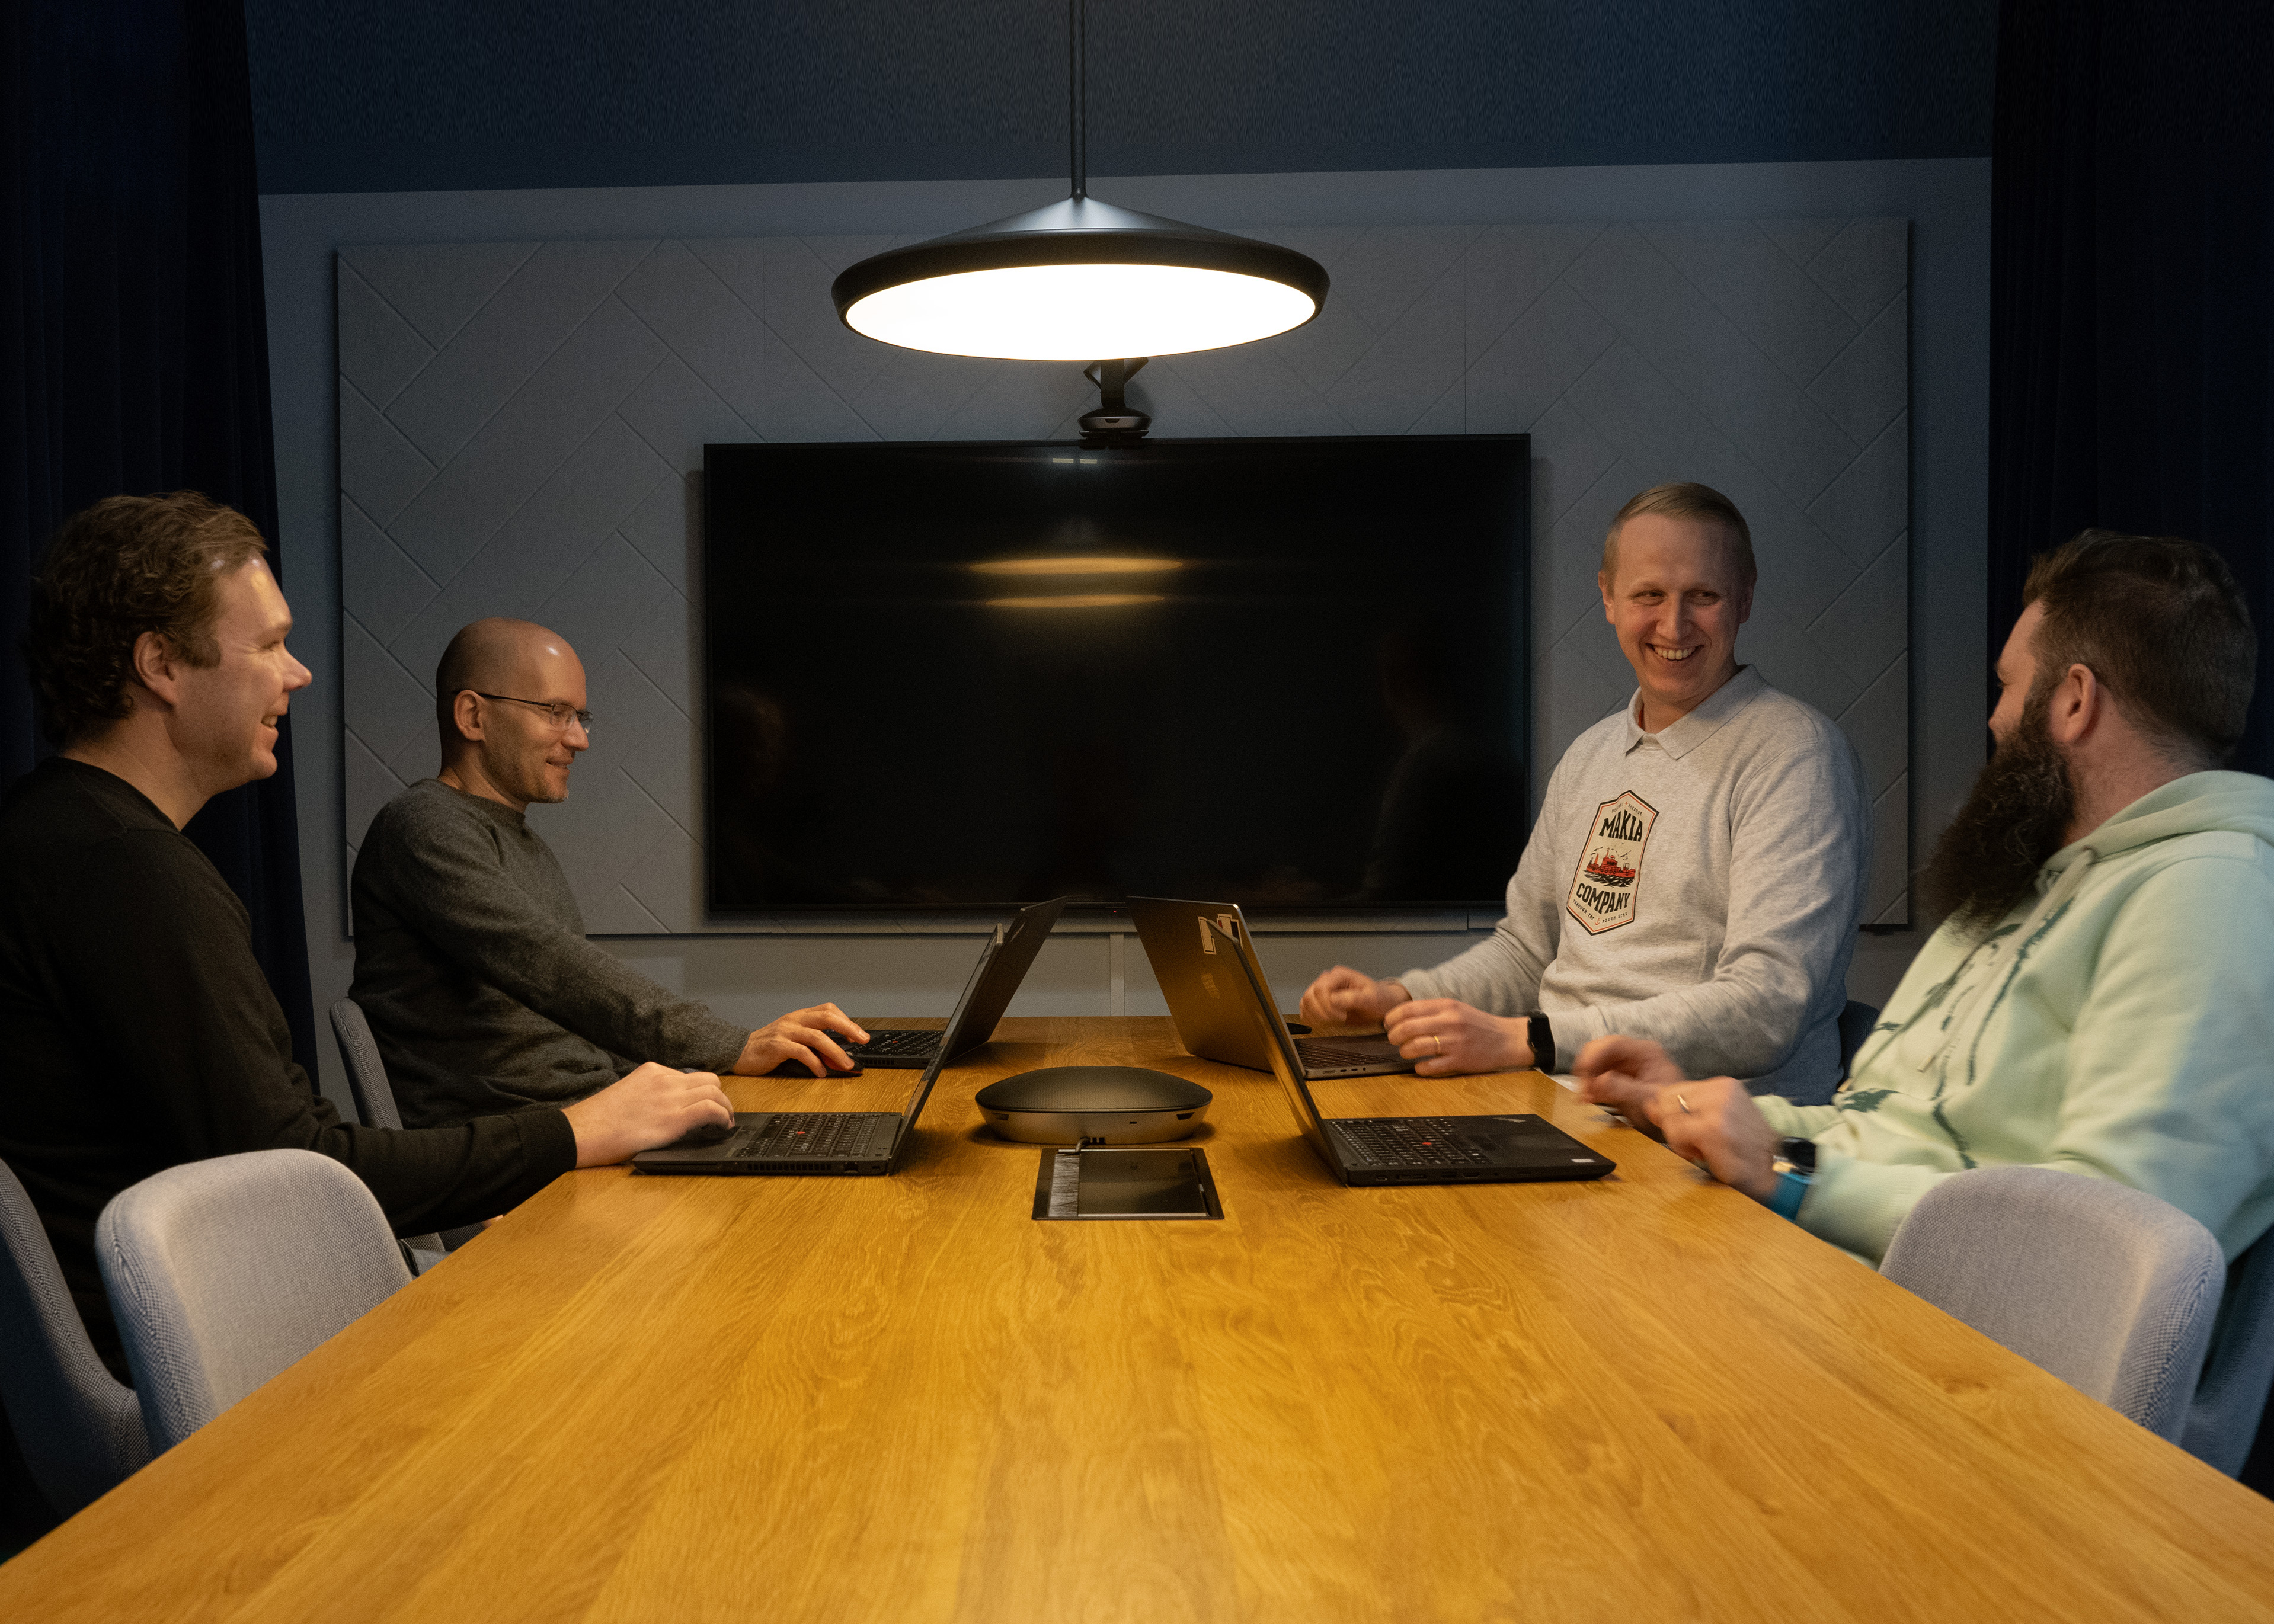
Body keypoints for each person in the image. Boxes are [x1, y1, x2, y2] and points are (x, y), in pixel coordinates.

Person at [0, 494, 733, 1376]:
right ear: (160, 662)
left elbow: (272, 1156)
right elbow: (294, 1169)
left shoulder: (62, 835)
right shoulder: (122, 869)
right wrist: (575, 1132)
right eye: (269, 643)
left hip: (203, 1328)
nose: (298, 673)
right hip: (203, 1369)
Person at [1577, 530, 2274, 1264]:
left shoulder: (2213, 901)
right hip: (1844, 1272)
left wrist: (1787, 1172)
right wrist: (1687, 1108)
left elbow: (2104, 1252)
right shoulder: (2034, 873)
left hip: (1944, 1347)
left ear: (2073, 700)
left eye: (2007, 685)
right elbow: (1892, 1125)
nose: (1996, 719)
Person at [1300, 482, 1870, 1101]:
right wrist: (1403, 998)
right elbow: (1526, 953)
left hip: (1703, 1135)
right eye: (1649, 594)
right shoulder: (1591, 756)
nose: (1673, 624)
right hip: (1560, 1101)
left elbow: (1766, 1007)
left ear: (1745, 599)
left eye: (1703, 595)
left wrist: (1532, 1039)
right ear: (1608, 597)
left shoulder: (1796, 754)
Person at [350, 617, 868, 1129]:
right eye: (555, 712)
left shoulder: (518, 839)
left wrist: (685, 1079)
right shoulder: (421, 825)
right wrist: (730, 1045)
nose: (579, 739)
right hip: (523, 1156)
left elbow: (571, 1016)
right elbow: (550, 967)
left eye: (579, 716)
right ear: (472, 716)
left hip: (591, 1121)